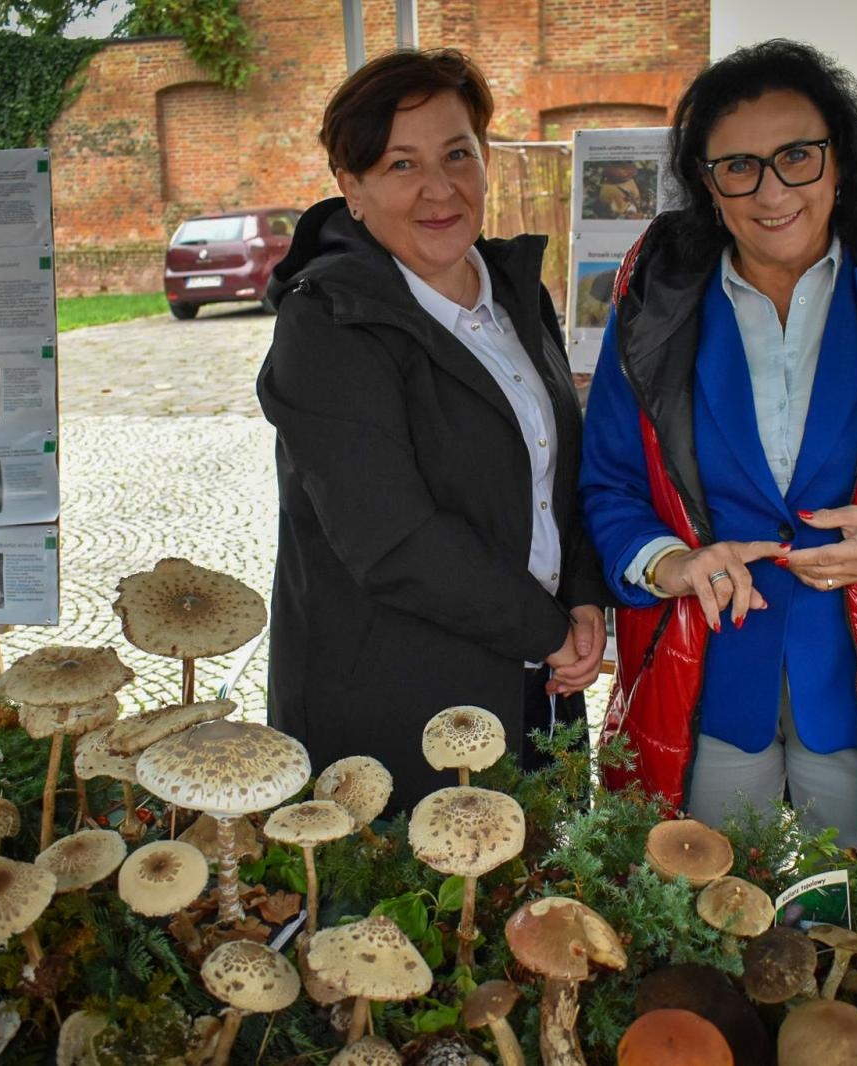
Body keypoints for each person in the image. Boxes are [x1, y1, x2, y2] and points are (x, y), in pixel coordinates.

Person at [579, 39, 857, 885]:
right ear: (706, 186)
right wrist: (671, 561)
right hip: (712, 676)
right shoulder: (653, 307)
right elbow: (608, 482)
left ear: (839, 161)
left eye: (797, 156)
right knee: (709, 933)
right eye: (738, 167)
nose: (773, 191)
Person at [257, 49, 607, 811]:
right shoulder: (327, 323)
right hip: (397, 703)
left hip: (536, 685)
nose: (439, 188)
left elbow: (556, 470)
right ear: (351, 188)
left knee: (542, 915)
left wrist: (582, 592)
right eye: (400, 165)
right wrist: (543, 628)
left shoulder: (516, 292)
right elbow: (393, 539)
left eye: (457, 154)